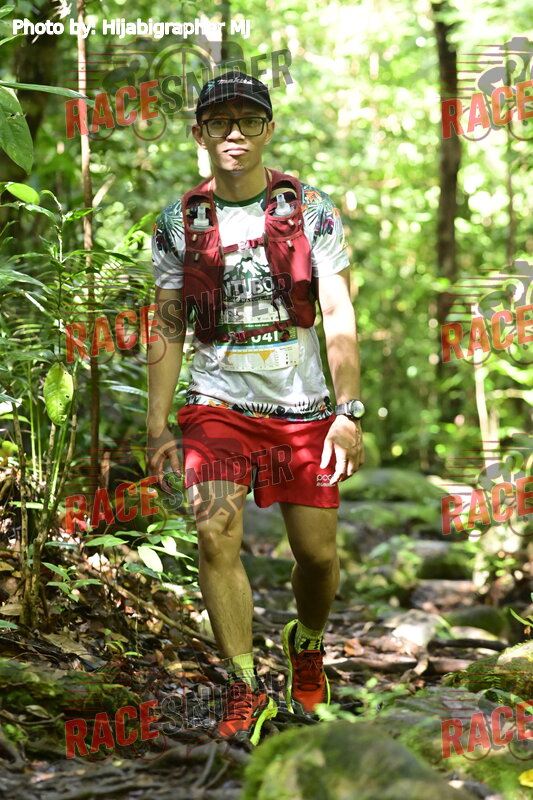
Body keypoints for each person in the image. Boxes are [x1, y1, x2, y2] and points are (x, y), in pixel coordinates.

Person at [147, 71, 364, 745]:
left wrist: (348, 411)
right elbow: (167, 325)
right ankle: (244, 687)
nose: (233, 133)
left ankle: (307, 642)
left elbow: (338, 313)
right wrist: (157, 424)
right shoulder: (178, 221)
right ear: (200, 133)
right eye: (219, 121)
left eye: (247, 121)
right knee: (215, 535)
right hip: (216, 405)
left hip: (303, 408)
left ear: (268, 129)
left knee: (317, 557)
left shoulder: (312, 210)